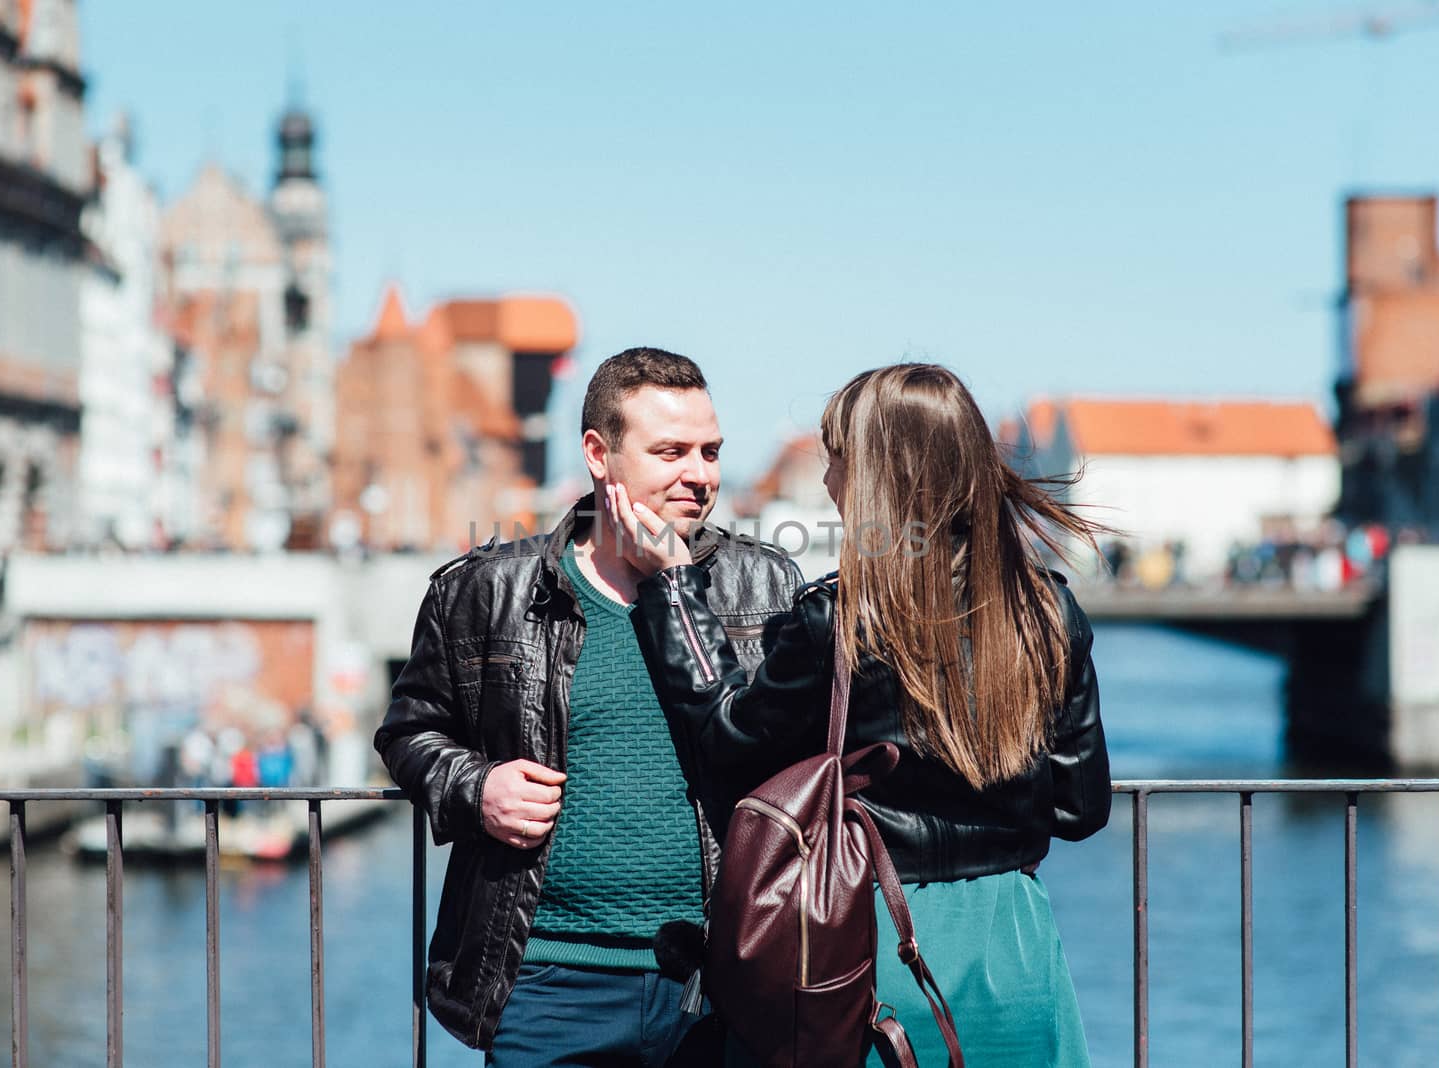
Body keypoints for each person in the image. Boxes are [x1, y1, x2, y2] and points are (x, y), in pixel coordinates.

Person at [607, 363, 1112, 1066]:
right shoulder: (1048, 611)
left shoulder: (837, 617)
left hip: (871, 936)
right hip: (1014, 943)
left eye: (838, 461)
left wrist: (671, 587)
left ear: (882, 476)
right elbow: (1081, 807)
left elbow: (725, 744)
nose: (828, 483)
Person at [375, 347, 802, 1065]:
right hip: (546, 983)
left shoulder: (761, 586)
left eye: (710, 451)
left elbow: (792, 757)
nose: (699, 475)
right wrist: (477, 789)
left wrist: (676, 584)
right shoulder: (488, 591)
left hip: (720, 983)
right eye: (670, 451)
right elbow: (409, 730)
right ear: (599, 455)